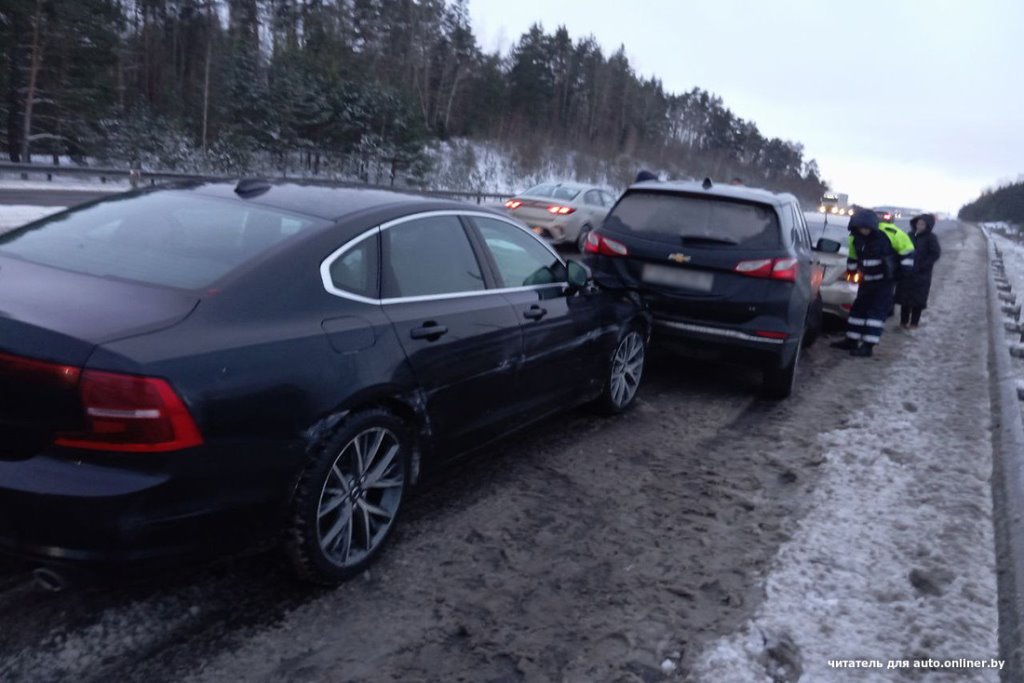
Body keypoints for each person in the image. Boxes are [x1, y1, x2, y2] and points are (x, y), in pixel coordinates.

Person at [830, 209, 912, 357]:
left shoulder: (890, 233)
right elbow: (853, 258)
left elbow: (907, 250)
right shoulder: (854, 238)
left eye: (867, 228)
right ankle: (852, 340)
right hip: (866, 281)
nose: (864, 231)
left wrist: (904, 273)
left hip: (884, 282)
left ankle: (868, 346)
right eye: (861, 228)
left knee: (876, 313)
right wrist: (852, 276)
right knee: (857, 310)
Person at [895, 213, 941, 330]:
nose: (919, 226)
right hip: (907, 272)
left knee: (917, 300)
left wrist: (922, 265)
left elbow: (935, 254)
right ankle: (903, 322)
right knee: (904, 298)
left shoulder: (931, 238)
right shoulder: (909, 235)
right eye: (918, 223)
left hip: (921, 275)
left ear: (928, 225)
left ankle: (914, 323)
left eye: (922, 224)